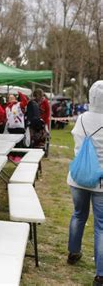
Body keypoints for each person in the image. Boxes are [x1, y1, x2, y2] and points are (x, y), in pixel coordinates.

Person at [66, 81, 103, 285]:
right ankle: (100, 273)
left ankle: (73, 252)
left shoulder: (80, 118)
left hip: (78, 178)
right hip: (100, 182)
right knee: (101, 225)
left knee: (78, 215)